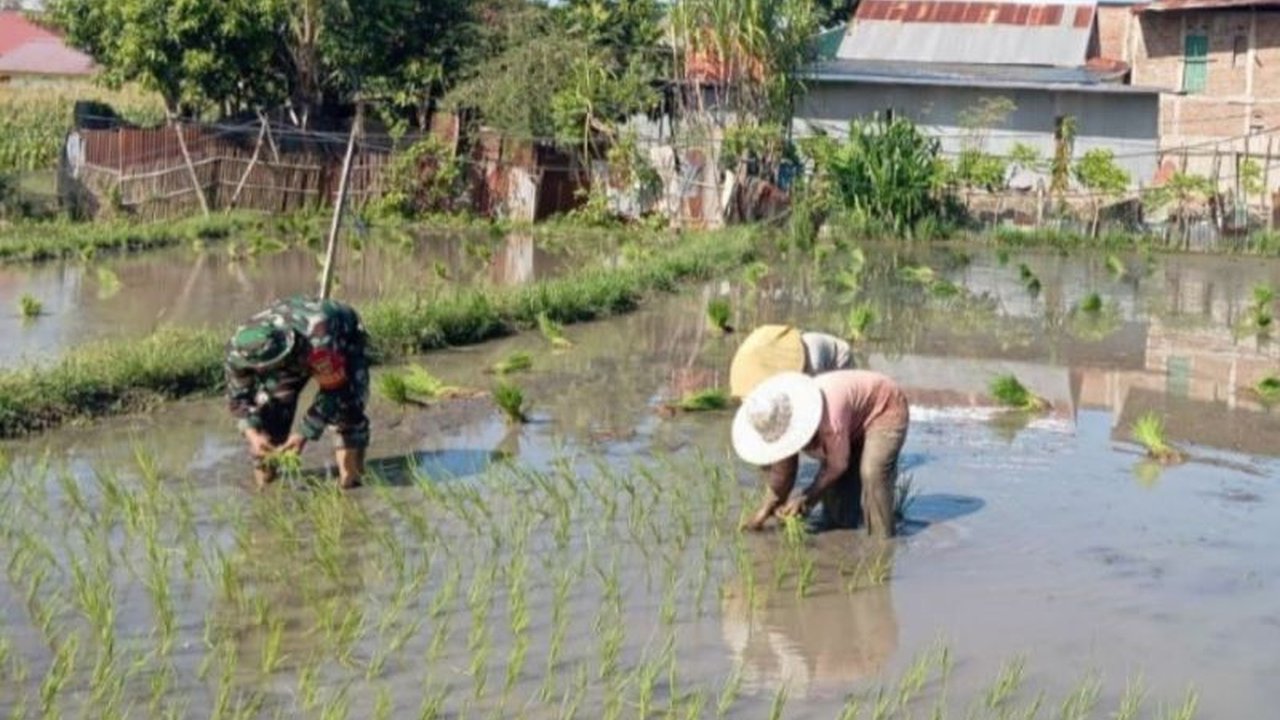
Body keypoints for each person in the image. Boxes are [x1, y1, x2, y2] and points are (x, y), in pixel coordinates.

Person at [732, 370, 909, 538]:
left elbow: (837, 464)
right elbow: (783, 473)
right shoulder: (782, 423)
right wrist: (764, 512)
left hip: (884, 408)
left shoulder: (828, 419)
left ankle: (882, 542)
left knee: (872, 472)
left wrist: (807, 497)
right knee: (837, 514)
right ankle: (846, 537)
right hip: (851, 421)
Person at [225, 296, 371, 488]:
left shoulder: (319, 340)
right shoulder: (237, 352)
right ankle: (265, 489)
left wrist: (304, 433)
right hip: (289, 353)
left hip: (341, 338)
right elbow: (239, 401)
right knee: (269, 414)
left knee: (346, 406)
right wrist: (253, 435)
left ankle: (351, 480)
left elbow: (334, 392)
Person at [729, 324, 854, 399]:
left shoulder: (813, 358)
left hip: (838, 358)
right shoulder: (762, 356)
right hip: (812, 349)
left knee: (830, 401)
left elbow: (812, 397)